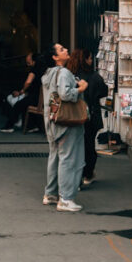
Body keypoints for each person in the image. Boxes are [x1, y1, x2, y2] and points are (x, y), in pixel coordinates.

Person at [41, 43, 88, 212]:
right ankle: (66, 199)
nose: (66, 50)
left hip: (52, 121)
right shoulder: (65, 73)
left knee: (54, 157)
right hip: (66, 123)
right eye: (61, 50)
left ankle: (51, 194)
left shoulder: (48, 74)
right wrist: (81, 88)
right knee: (68, 159)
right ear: (55, 57)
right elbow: (66, 94)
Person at [67, 48, 107, 186]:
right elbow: (103, 91)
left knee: (76, 147)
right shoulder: (94, 76)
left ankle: (77, 177)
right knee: (89, 145)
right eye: (90, 58)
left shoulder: (70, 75)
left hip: (74, 116)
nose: (91, 61)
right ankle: (87, 173)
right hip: (91, 116)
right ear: (85, 60)